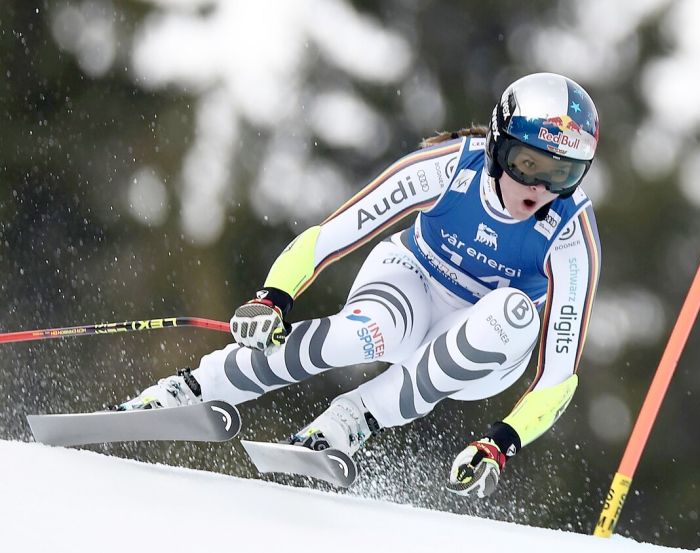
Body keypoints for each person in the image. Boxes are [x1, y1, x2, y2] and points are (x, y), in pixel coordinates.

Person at [119, 72, 602, 498]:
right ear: (498, 145)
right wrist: (272, 298)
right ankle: (193, 388)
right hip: (413, 279)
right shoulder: (450, 167)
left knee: (515, 312)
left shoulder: (570, 232)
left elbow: (559, 376)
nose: (539, 189)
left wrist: (500, 443)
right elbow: (333, 234)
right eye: (526, 165)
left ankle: (353, 419)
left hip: (484, 343)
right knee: (365, 332)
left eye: (563, 174)